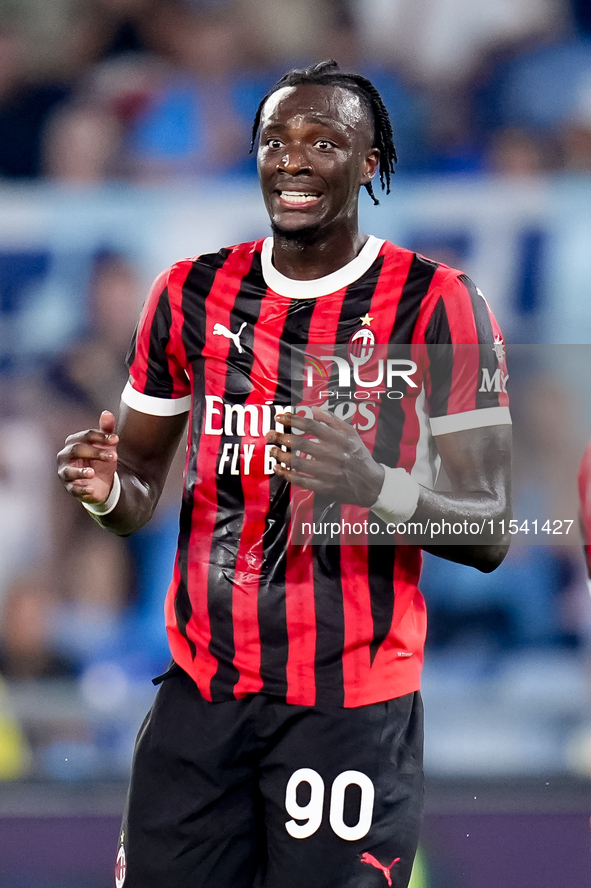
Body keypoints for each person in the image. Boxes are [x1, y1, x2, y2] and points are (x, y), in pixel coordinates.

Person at [57, 60, 512, 888]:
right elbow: (137, 489)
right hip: (201, 695)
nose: (293, 159)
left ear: (369, 162)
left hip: (348, 706)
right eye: (275, 140)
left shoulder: (438, 303)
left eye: (323, 141)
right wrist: (105, 494)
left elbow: (488, 530)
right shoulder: (186, 294)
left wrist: (373, 485)